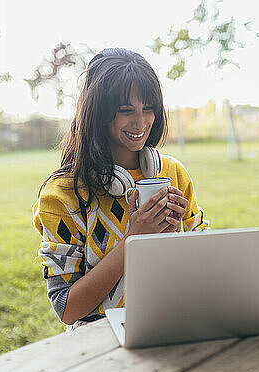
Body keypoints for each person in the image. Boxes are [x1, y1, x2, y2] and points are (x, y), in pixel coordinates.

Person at [32, 48, 209, 330]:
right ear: (99, 113)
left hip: (174, 320)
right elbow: (67, 307)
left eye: (148, 108)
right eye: (126, 110)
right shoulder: (61, 195)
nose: (141, 123)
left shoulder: (173, 173)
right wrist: (132, 240)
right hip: (101, 340)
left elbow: (207, 267)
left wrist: (178, 236)